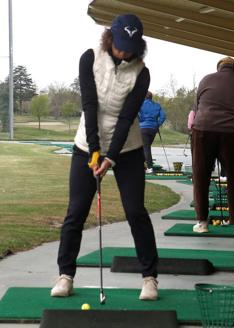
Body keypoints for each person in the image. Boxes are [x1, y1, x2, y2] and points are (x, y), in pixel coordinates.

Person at [50, 14, 158, 301]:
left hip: (128, 147)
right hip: (87, 143)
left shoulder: (141, 72)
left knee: (135, 211)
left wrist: (110, 157)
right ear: (110, 39)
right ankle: (65, 275)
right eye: (121, 45)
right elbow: (89, 104)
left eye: (131, 48)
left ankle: (150, 279)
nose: (125, 52)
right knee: (76, 212)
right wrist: (95, 150)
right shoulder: (90, 58)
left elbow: (126, 118)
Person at [191, 56, 234, 234]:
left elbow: (197, 107)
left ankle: (202, 223)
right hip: (232, 133)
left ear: (219, 68)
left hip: (203, 130)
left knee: (200, 175)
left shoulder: (206, 79)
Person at [138, 91, 166, 173]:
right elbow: (163, 116)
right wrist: (158, 124)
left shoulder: (140, 104)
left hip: (143, 128)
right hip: (153, 129)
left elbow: (135, 113)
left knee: (146, 148)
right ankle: (142, 166)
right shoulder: (157, 105)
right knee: (146, 147)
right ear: (151, 97)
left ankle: (150, 167)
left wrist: (140, 121)